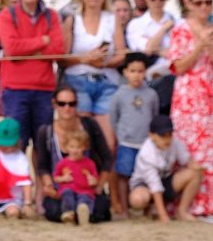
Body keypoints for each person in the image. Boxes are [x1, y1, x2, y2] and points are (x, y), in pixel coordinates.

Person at [167, 0, 213, 219]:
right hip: (187, 96)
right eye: (199, 3)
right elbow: (178, 65)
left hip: (211, 96)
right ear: (189, 4)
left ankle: (212, 203)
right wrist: (198, 46)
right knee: (188, 149)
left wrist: (211, 45)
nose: (204, 7)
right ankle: (186, 202)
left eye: (208, 2)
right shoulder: (180, 30)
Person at [0, 0, 64, 154]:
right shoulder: (6, 14)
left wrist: (26, 50)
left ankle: (42, 184)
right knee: (16, 144)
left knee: (44, 147)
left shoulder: (52, 15)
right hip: (16, 90)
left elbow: (58, 50)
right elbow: (11, 49)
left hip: (44, 89)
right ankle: (18, 183)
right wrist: (42, 40)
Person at [60, 0, 124, 151]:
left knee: (109, 143)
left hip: (107, 82)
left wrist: (102, 63)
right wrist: (85, 59)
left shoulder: (112, 19)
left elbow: (121, 55)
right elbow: (62, 58)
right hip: (78, 81)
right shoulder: (72, 20)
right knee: (81, 142)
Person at [35, 85, 114, 223]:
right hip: (61, 190)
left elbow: (107, 157)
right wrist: (48, 186)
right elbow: (42, 166)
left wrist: (99, 185)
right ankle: (77, 214)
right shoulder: (46, 131)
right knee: (52, 211)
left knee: (102, 209)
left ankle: (78, 213)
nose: (67, 108)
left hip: (87, 189)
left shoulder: (89, 125)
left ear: (77, 104)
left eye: (72, 104)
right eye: (62, 104)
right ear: (54, 104)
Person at [109, 52, 159, 218]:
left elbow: (154, 116)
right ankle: (124, 209)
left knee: (149, 175)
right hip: (127, 143)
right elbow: (114, 118)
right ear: (125, 72)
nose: (136, 75)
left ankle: (148, 208)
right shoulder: (119, 95)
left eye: (140, 71)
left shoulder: (151, 94)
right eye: (132, 71)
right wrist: (120, 137)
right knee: (124, 175)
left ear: (145, 72)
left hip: (146, 144)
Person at [128, 115, 204, 222]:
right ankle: (150, 208)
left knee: (195, 174)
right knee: (137, 199)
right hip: (144, 184)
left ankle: (182, 211)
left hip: (165, 180)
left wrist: (196, 165)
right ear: (151, 135)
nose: (167, 139)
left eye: (170, 135)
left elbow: (186, 160)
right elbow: (154, 184)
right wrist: (163, 216)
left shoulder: (175, 142)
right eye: (162, 135)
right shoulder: (146, 154)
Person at [126, 0, 179, 115]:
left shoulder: (178, 22)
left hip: (175, 77)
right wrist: (164, 29)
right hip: (150, 80)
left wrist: (156, 48)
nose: (157, 1)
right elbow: (147, 50)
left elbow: (179, 52)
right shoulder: (136, 24)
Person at [0, 117, 33, 218]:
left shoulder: (20, 158)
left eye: (8, 144)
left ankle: (6, 212)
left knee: (13, 213)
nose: (4, 147)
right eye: (2, 144)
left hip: (11, 200)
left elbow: (26, 184)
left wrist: (27, 203)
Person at [53, 130, 98, 226]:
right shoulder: (63, 163)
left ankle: (83, 215)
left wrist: (92, 181)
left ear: (85, 147)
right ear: (66, 148)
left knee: (85, 199)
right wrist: (64, 178)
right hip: (69, 189)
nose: (75, 150)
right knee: (67, 194)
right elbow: (56, 178)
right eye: (72, 147)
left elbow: (95, 179)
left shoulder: (89, 163)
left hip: (84, 190)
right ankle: (69, 215)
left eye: (79, 147)